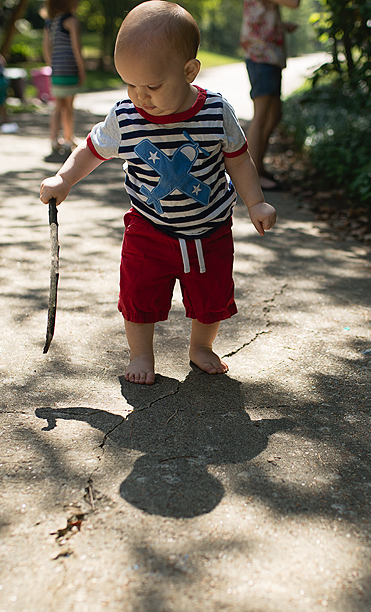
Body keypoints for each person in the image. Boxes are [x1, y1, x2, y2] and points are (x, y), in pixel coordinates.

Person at [39, 1, 277, 385]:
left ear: (188, 71)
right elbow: (90, 149)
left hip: (209, 228)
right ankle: (141, 354)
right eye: (129, 84)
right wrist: (64, 179)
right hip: (149, 228)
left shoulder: (215, 112)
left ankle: (200, 346)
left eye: (151, 86)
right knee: (138, 294)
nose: (139, 96)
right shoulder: (125, 116)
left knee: (210, 297)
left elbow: (238, 159)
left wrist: (256, 201)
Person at [240, 0, 300, 191]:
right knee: (262, 114)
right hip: (261, 55)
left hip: (269, 54)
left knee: (274, 115)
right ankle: (253, 175)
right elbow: (294, 3)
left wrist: (280, 27)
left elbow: (260, 15)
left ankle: (259, 166)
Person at [43, 0, 86, 153]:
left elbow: (46, 48)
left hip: (57, 68)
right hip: (69, 67)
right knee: (68, 107)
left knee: (57, 106)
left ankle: (54, 140)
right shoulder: (72, 21)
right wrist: (81, 68)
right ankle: (68, 139)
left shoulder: (50, 23)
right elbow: (76, 46)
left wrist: (53, 65)